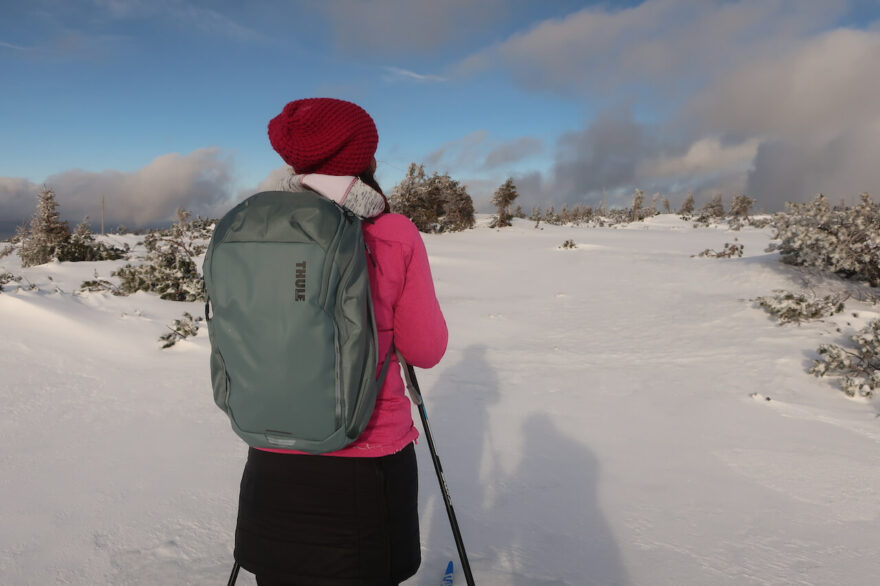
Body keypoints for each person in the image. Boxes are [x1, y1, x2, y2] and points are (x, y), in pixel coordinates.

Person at [233, 97, 449, 586]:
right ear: (362, 158)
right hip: (367, 458)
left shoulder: (253, 228)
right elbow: (425, 349)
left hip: (272, 450)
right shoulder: (391, 233)